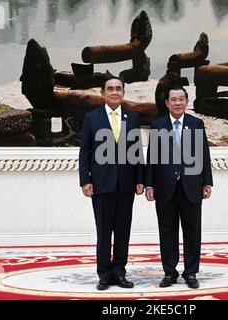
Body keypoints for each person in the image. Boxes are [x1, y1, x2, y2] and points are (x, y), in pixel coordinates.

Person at [79, 76, 145, 291]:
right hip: (101, 183)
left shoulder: (133, 118)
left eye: (118, 89)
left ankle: (119, 271)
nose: (115, 92)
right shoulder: (92, 118)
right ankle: (104, 274)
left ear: (123, 93)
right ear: (103, 93)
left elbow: (137, 152)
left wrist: (140, 179)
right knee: (104, 231)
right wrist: (85, 180)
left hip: (126, 184)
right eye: (110, 89)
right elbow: (85, 152)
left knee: (123, 231)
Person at [145, 86, 213, 289]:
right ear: (167, 103)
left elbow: (204, 155)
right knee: (167, 232)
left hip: (191, 187)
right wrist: (149, 184)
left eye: (181, 99)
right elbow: (152, 158)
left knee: (192, 232)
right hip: (165, 187)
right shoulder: (158, 125)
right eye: (173, 99)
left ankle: (191, 273)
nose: (177, 103)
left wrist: (207, 181)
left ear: (187, 101)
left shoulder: (196, 124)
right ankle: (170, 273)